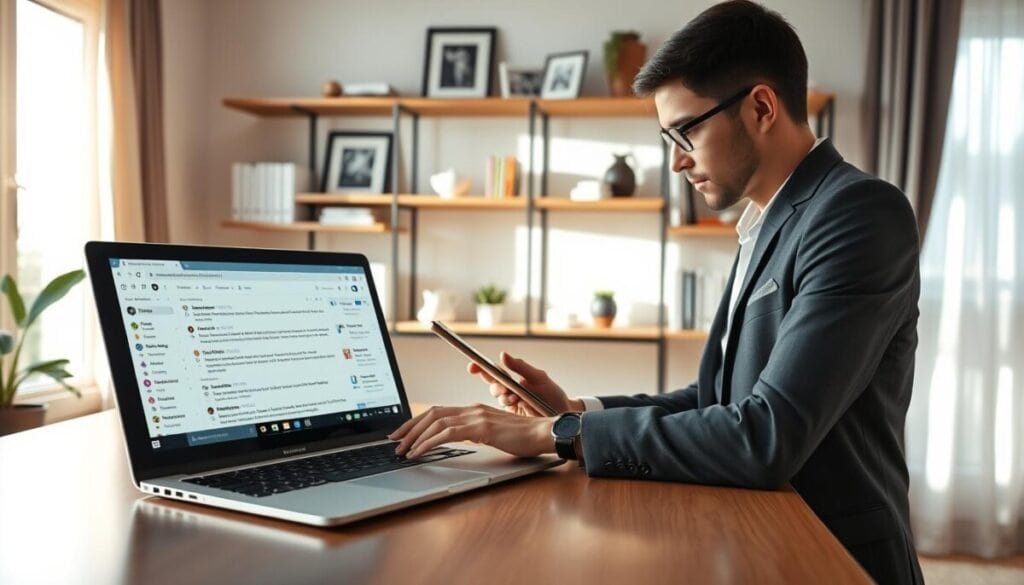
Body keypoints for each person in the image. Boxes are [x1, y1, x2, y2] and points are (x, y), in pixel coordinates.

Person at [390, 2, 922, 582]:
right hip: (755, 541)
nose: (674, 160)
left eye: (685, 130)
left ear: (762, 107)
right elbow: (717, 401)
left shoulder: (857, 213)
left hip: (833, 557)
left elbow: (765, 435)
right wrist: (575, 411)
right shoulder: (764, 224)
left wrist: (557, 435)